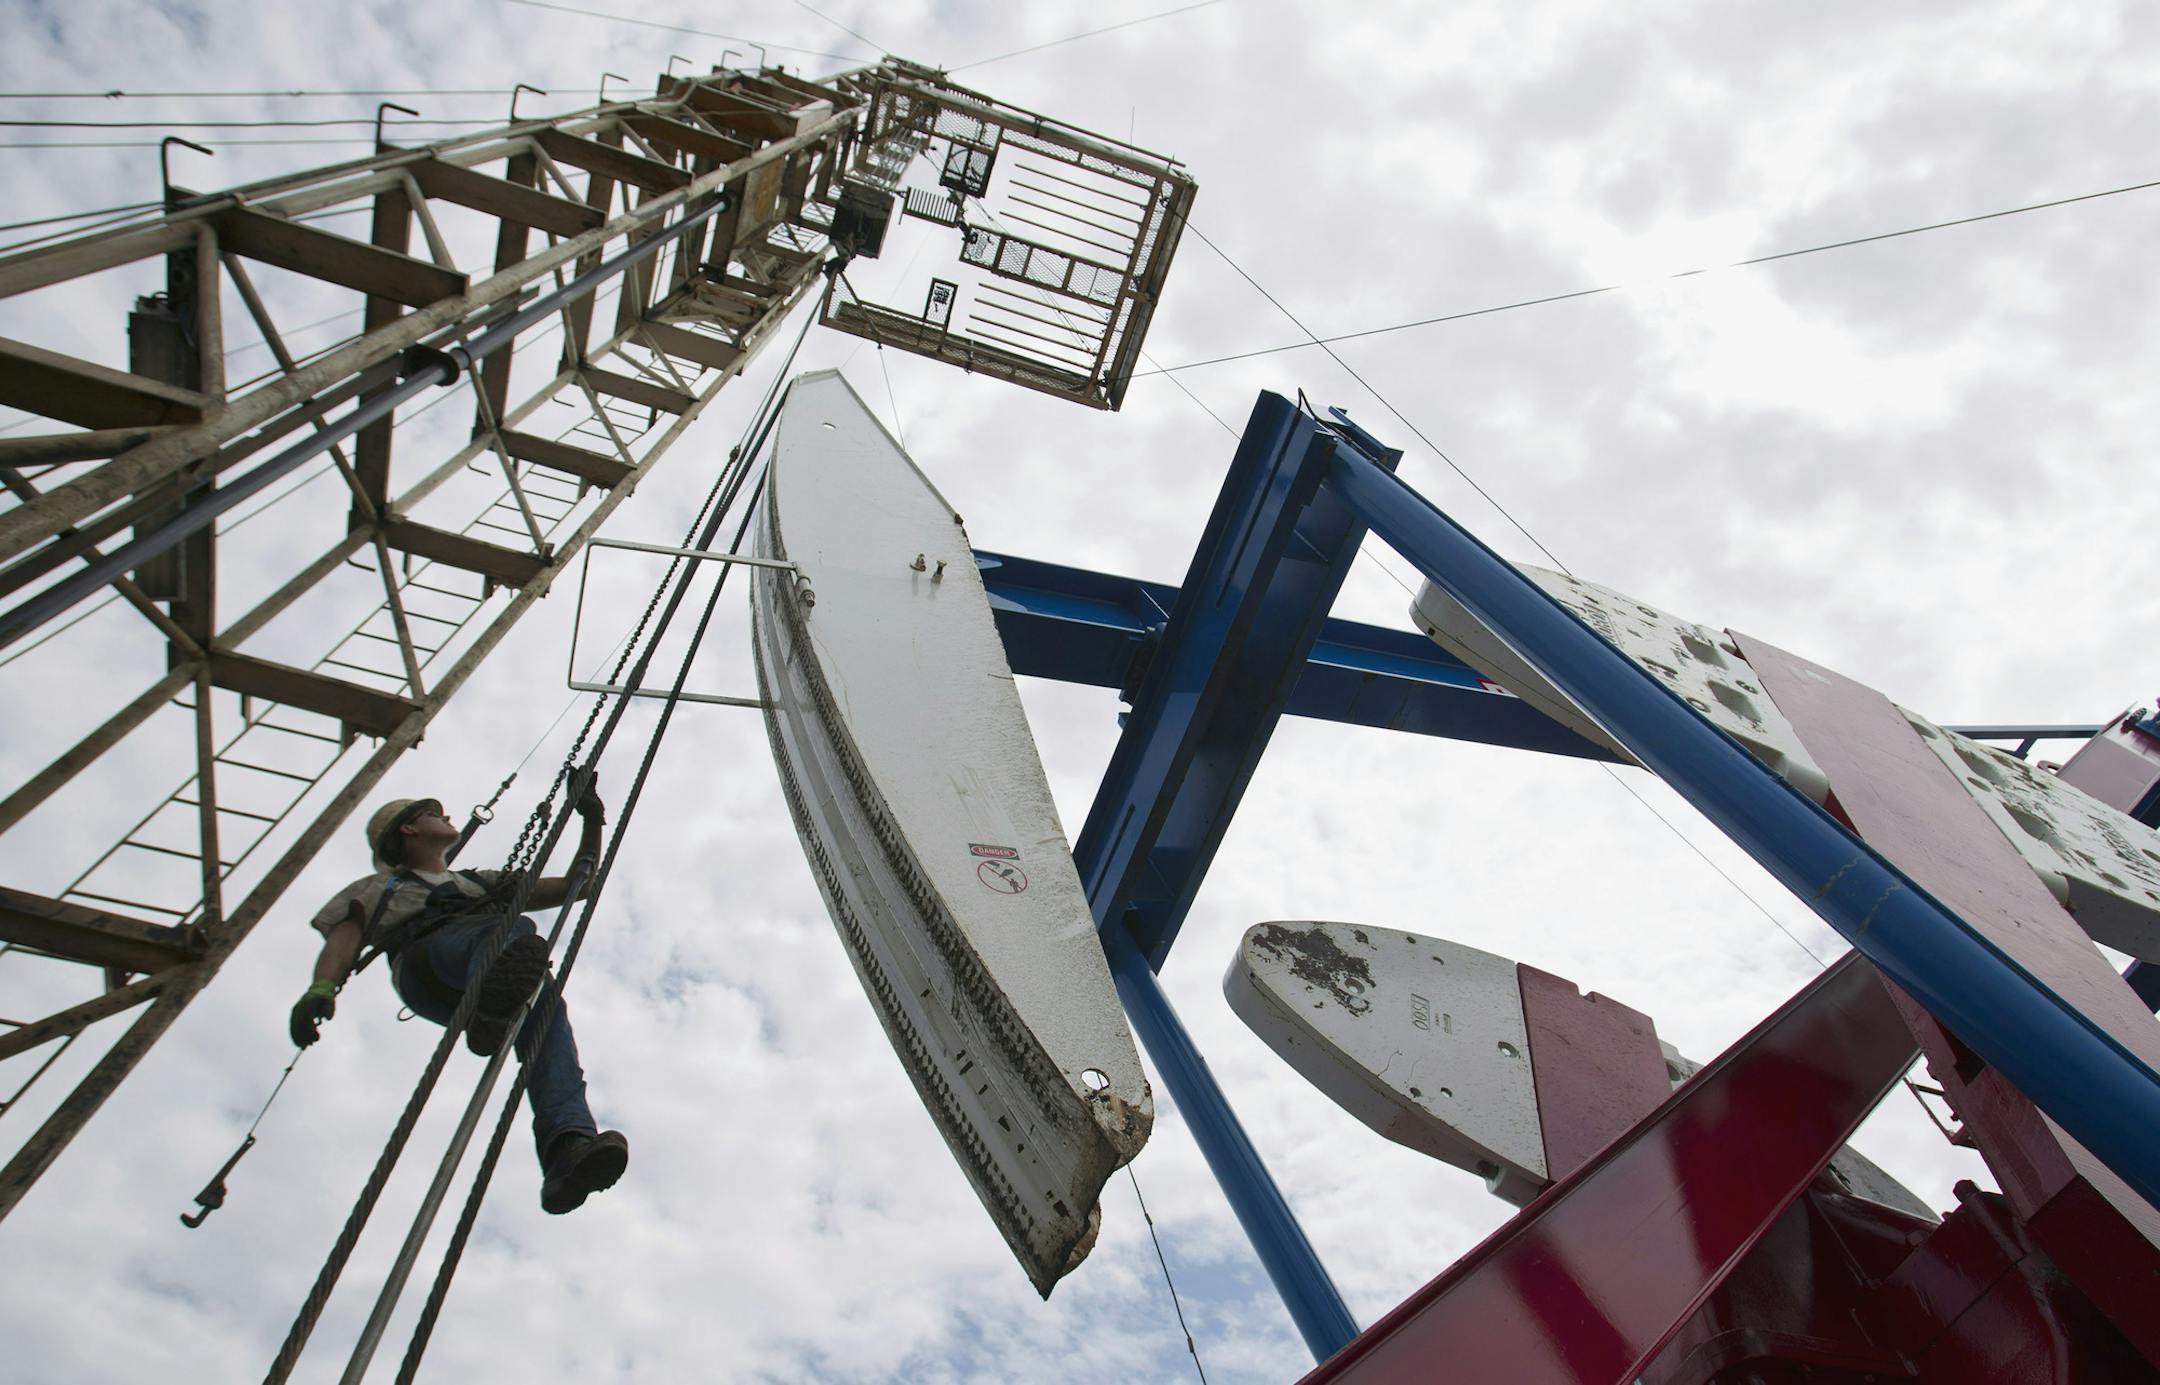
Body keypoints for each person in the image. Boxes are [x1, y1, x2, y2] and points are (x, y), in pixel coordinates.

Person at [290, 787, 629, 1215]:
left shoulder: (475, 883)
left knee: (547, 1013)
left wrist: (591, 822)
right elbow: (345, 941)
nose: (447, 817)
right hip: (428, 962)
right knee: (509, 934)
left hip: (485, 965)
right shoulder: (378, 887)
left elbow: (576, 886)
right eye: (435, 814)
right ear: (410, 829)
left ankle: (568, 1147)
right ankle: (492, 1002)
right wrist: (320, 988)